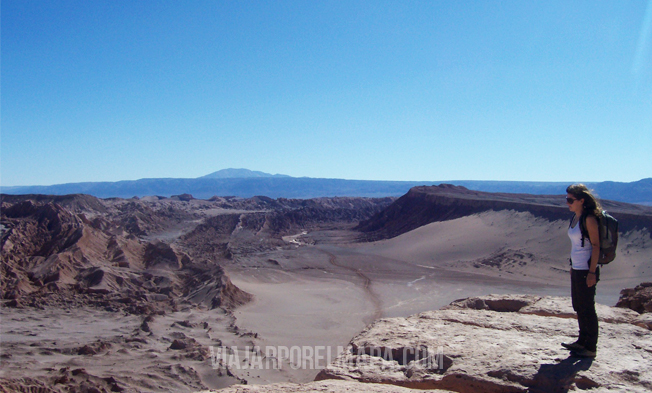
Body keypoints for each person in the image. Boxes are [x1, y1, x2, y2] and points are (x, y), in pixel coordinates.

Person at [562, 184, 601, 358]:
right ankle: (581, 341)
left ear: (581, 200)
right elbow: (576, 246)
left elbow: (596, 246)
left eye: (570, 200)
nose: (567, 203)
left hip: (587, 269)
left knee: (587, 308)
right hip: (577, 268)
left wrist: (592, 272)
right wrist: (572, 266)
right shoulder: (575, 218)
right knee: (578, 306)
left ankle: (590, 347)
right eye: (567, 199)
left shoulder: (589, 219)